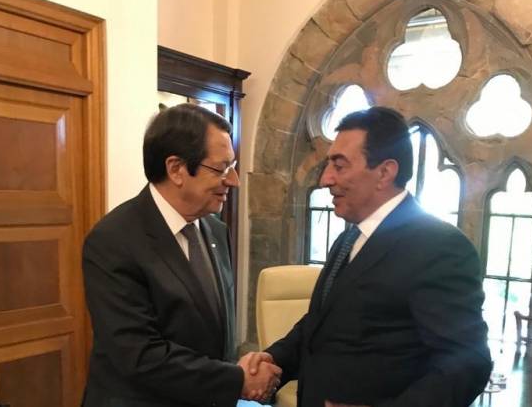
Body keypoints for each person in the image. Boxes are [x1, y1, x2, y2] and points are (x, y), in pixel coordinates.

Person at [243, 106, 491, 407]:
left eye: (339, 166)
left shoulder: (440, 247)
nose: (325, 179)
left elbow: (468, 362)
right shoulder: (348, 238)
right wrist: (271, 360)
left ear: (384, 172)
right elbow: (319, 324)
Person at [82, 103, 280, 407]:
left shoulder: (216, 230)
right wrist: (236, 380)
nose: (234, 180)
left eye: (233, 166)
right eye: (221, 168)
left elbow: (213, 332)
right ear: (176, 169)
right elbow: (140, 355)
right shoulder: (113, 240)